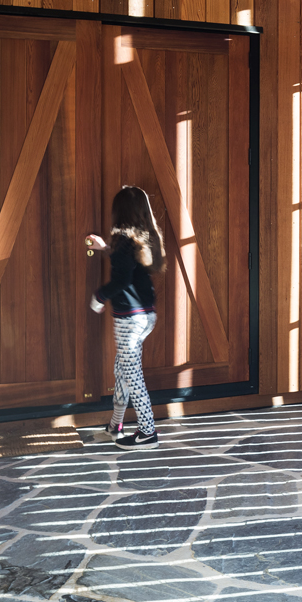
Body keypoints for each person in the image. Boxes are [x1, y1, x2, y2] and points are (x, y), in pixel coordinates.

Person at [86, 186, 166, 449]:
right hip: (145, 317)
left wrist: (99, 296)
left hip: (128, 322)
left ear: (119, 212)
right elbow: (126, 263)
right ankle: (115, 426)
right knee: (122, 369)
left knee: (131, 374)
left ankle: (147, 432)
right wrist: (105, 247)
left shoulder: (124, 239)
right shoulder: (143, 238)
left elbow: (121, 278)